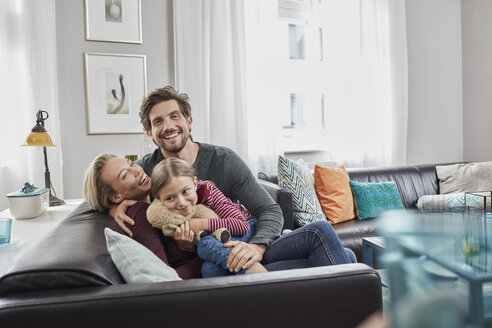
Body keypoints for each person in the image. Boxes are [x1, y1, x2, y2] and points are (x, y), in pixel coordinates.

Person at [110, 86, 356, 273]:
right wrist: (113, 207)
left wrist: (257, 247)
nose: (168, 126)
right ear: (149, 132)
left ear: (189, 121)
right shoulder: (145, 170)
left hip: (248, 241)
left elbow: (269, 210)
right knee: (345, 256)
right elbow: (103, 189)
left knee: (327, 237)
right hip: (217, 258)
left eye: (175, 116)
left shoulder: (224, 159)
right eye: (158, 122)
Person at [149, 157, 267, 276]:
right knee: (209, 270)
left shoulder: (208, 192)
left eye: (185, 191)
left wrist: (201, 224)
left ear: (195, 184)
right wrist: (185, 246)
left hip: (247, 226)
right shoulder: (164, 214)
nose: (181, 202)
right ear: (158, 199)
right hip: (221, 241)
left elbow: (242, 225)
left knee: (206, 244)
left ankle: (264, 279)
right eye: (170, 198)